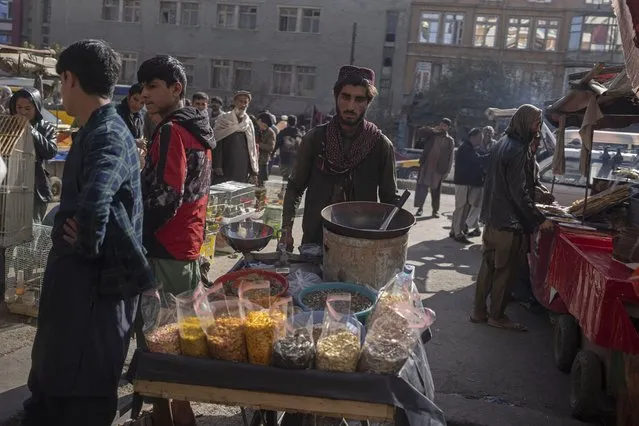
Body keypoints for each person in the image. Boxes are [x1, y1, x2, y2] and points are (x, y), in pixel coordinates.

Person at [22, 39, 154, 426]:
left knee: (79, 401)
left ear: (69, 78)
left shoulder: (109, 133)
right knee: (53, 391)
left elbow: (98, 202)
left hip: (93, 298)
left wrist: (86, 243)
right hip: (77, 302)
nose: (60, 91)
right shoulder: (97, 129)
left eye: (60, 83)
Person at [138, 55, 215, 426]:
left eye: (152, 86)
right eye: (142, 87)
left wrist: (138, 230)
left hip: (166, 244)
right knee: (180, 332)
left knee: (162, 338)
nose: (144, 94)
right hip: (187, 243)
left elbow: (167, 194)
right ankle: (166, 415)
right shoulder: (199, 128)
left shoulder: (172, 130)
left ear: (175, 89)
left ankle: (176, 418)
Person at [280, 65, 398, 250]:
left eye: (359, 99)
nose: (351, 106)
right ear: (336, 97)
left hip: (361, 241)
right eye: (345, 97)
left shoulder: (380, 145)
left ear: (368, 102)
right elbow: (295, 187)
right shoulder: (315, 139)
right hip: (316, 237)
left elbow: (390, 200)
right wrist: (286, 230)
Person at [471, 104, 553, 332]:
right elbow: (519, 193)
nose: (538, 129)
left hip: (492, 220)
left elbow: (509, 184)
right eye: (536, 123)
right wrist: (539, 219)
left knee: (487, 268)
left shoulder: (501, 144)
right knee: (505, 274)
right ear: (526, 122)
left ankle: (479, 312)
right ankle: (497, 315)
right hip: (509, 224)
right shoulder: (518, 149)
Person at [9, 88, 58, 222]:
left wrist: (30, 130)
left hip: (36, 189)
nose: (22, 112)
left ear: (36, 108)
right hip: (9, 185)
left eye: (27, 108)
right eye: (19, 107)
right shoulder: (7, 125)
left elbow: (50, 151)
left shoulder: (46, 127)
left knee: (32, 229)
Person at [212, 91, 258, 184]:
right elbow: (217, 141)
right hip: (225, 163)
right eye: (240, 101)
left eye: (245, 102)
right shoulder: (223, 118)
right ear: (234, 102)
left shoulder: (248, 122)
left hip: (242, 164)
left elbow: (251, 147)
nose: (243, 104)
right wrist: (217, 165)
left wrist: (253, 170)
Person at [450, 128, 485, 243]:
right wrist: (491, 157)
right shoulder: (465, 149)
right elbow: (477, 160)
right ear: (472, 137)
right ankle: (458, 233)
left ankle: (454, 230)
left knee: (463, 208)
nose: (481, 140)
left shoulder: (471, 148)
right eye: (479, 138)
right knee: (461, 208)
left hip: (466, 182)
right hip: (463, 183)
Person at [414, 118, 454, 217]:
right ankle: (420, 209)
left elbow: (451, 156)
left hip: (438, 169)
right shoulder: (432, 134)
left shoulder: (449, 140)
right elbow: (420, 132)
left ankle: (435, 210)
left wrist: (447, 171)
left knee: (435, 191)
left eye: (445, 125)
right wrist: (432, 130)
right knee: (422, 188)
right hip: (426, 166)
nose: (443, 127)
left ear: (448, 127)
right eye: (442, 124)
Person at [275, 114, 303, 198]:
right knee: (293, 177)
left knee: (285, 176)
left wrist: (273, 152)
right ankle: (290, 193)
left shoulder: (283, 132)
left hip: (284, 157)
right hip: (295, 158)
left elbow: (277, 143)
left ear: (287, 122)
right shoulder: (299, 133)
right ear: (295, 122)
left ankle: (283, 192)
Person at [256, 112, 276, 187]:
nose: (264, 128)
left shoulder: (270, 133)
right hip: (251, 161)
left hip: (262, 161)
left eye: (266, 127)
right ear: (259, 121)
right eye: (263, 126)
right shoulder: (252, 127)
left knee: (261, 185)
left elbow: (270, 147)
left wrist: (258, 145)